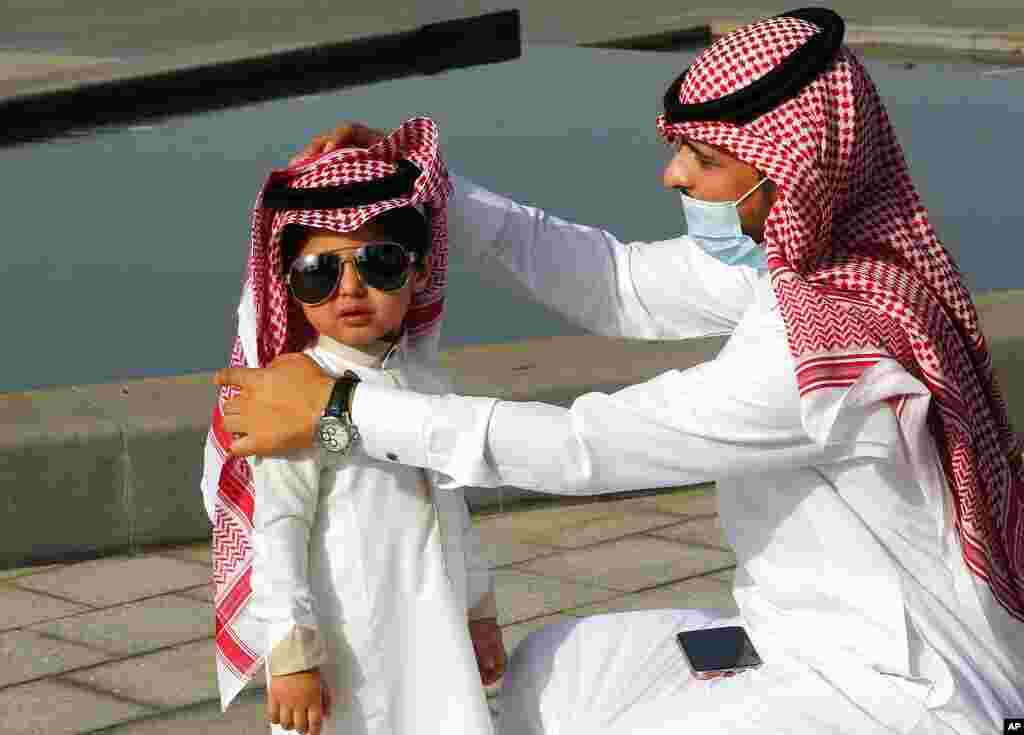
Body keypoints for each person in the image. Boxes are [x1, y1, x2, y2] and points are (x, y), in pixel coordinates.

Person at [215, 8, 1023, 734]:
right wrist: (420, 197)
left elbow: (587, 446)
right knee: (551, 675)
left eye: (702, 157)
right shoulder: (802, 263)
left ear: (786, 176)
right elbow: (618, 283)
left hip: (892, 692)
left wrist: (345, 411)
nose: (673, 174)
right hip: (788, 638)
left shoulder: (824, 350)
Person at [199, 117, 504, 735]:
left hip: (434, 628)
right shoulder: (290, 392)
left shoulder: (426, 378)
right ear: (289, 286)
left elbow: (456, 513)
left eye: (380, 264)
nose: (351, 289)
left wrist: (479, 613)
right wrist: (290, 660)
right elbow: (277, 530)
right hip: (345, 642)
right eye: (320, 272)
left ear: (419, 273)